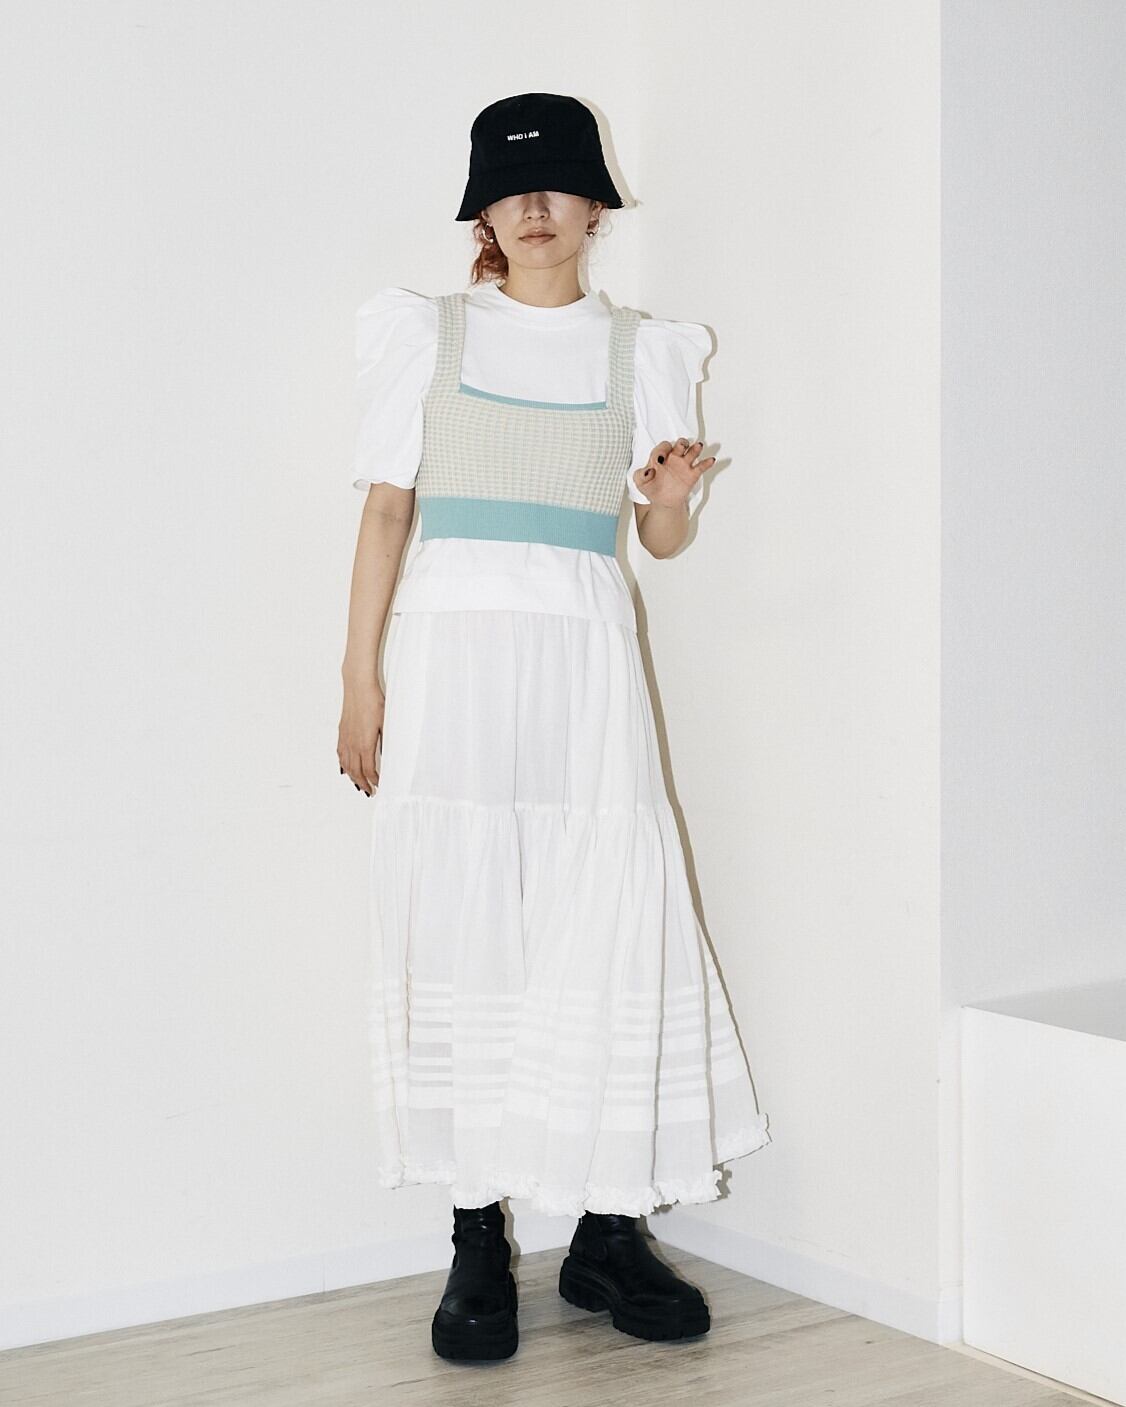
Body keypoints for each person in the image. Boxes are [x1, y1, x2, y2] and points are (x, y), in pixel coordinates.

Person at [338, 92, 771, 1364]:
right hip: (451, 659)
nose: (535, 208)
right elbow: (384, 514)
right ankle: (477, 1236)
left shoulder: (645, 351)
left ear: (594, 206)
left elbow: (657, 539)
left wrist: (672, 498)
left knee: (599, 910)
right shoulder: (426, 335)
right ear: (482, 212)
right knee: (468, 918)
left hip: (583, 658)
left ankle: (605, 1231)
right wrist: (359, 682)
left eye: (559, 185)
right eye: (511, 189)